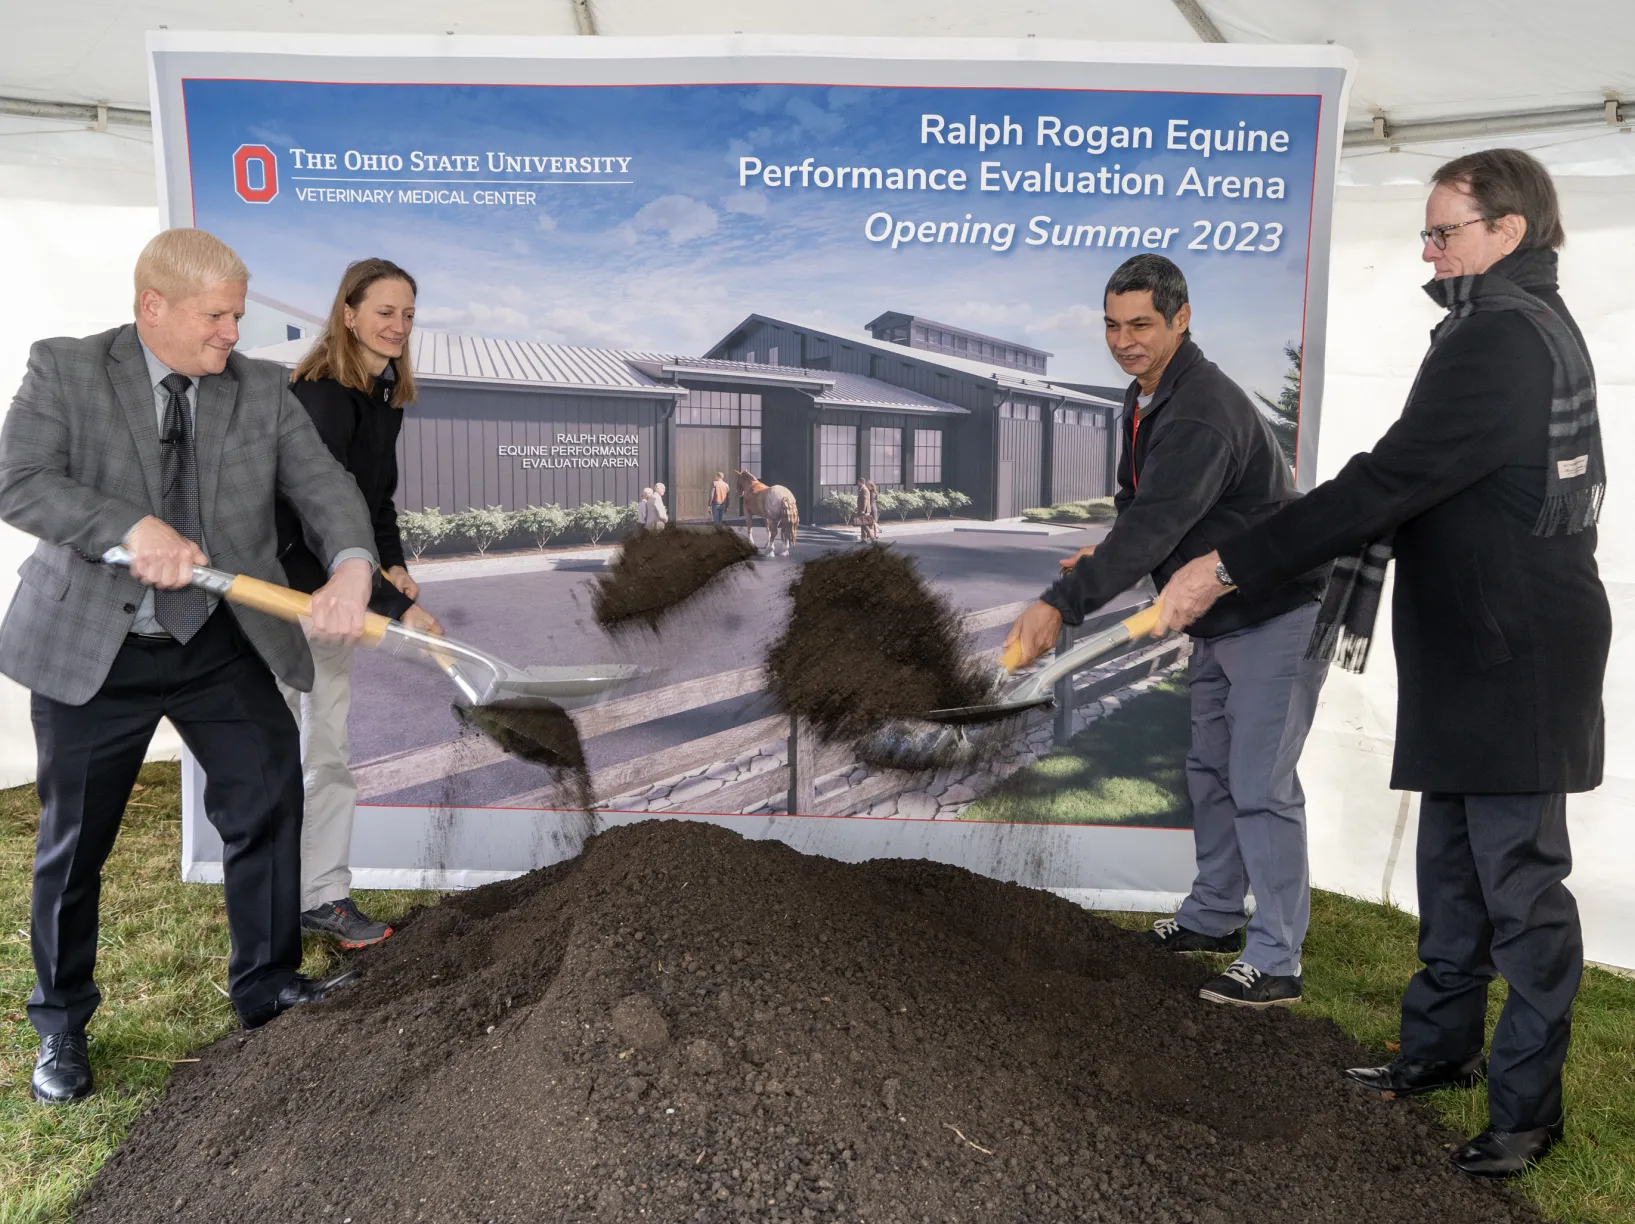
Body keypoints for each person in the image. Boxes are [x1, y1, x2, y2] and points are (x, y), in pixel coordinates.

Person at [1155, 149, 1607, 1178]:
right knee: (1451, 872)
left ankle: (1528, 1113)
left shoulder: (1500, 340)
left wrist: (1227, 563)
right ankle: (1440, 1053)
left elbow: (1385, 483)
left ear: (1511, 231)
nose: (1427, 247)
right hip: (1474, 646)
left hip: (1517, 655)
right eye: (1429, 229)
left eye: (1445, 231)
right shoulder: (1491, 325)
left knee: (1521, 892)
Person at [0, 229, 378, 1104]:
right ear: (151, 308)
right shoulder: (65, 368)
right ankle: (60, 1022)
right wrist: (129, 530)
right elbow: (19, 480)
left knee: (269, 792)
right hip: (95, 644)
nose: (229, 333)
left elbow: (323, 487)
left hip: (213, 638)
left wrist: (353, 560)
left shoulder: (263, 390)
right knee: (75, 841)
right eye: (216, 315)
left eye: (238, 314)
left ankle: (268, 986)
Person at [1003, 253, 1329, 1008]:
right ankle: (1214, 916)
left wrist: (1062, 600)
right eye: (1113, 326)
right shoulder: (1144, 397)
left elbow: (1156, 523)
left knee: (1260, 785)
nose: (1124, 341)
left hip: (1275, 614)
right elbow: (1137, 506)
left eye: (1141, 325)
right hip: (1218, 622)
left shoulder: (1201, 407)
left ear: (1181, 319)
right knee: (1209, 773)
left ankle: (1277, 960)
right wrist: (1100, 552)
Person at [275, 257, 444, 949]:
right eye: (384, 311)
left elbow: (371, 502)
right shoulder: (320, 396)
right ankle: (282, 900)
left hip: (336, 601)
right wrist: (394, 605)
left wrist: (394, 564)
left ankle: (321, 896)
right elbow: (314, 514)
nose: (398, 325)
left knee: (328, 752)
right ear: (347, 313)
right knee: (288, 756)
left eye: (407, 313)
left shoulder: (379, 400)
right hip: (290, 596)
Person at [856, 477, 880, 543]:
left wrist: (863, 510)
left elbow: (865, 500)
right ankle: (864, 539)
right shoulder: (862, 489)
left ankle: (872, 538)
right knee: (862, 524)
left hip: (864, 510)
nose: (857, 483)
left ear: (861, 482)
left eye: (858, 482)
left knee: (864, 524)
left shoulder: (865, 490)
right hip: (862, 509)